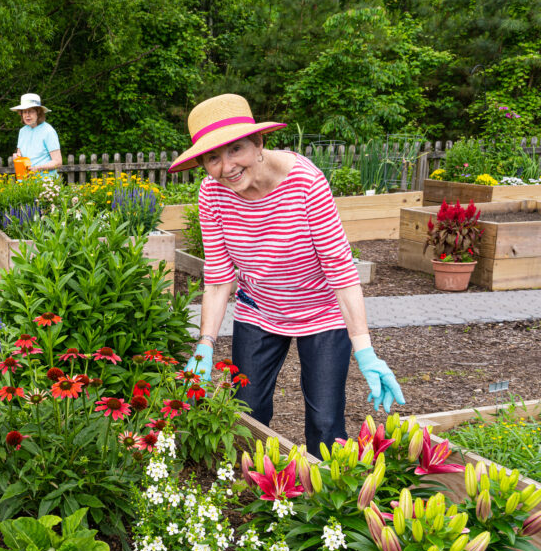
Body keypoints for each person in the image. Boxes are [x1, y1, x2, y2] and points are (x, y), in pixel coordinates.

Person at [173, 94, 405, 453]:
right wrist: (205, 343)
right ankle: (260, 495)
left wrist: (365, 351)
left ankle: (325, 498)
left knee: (326, 421)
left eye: (235, 150)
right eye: (213, 158)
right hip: (259, 311)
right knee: (247, 413)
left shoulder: (306, 183)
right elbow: (219, 278)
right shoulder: (212, 194)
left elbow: (341, 272)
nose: (227, 167)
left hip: (323, 314)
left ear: (259, 142)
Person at [11, 93, 62, 176]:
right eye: (24, 112)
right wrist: (17, 157)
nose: (27, 115)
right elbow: (20, 153)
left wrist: (38, 168)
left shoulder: (48, 131)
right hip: (26, 182)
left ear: (38, 113)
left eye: (31, 111)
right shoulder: (22, 131)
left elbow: (58, 162)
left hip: (46, 182)